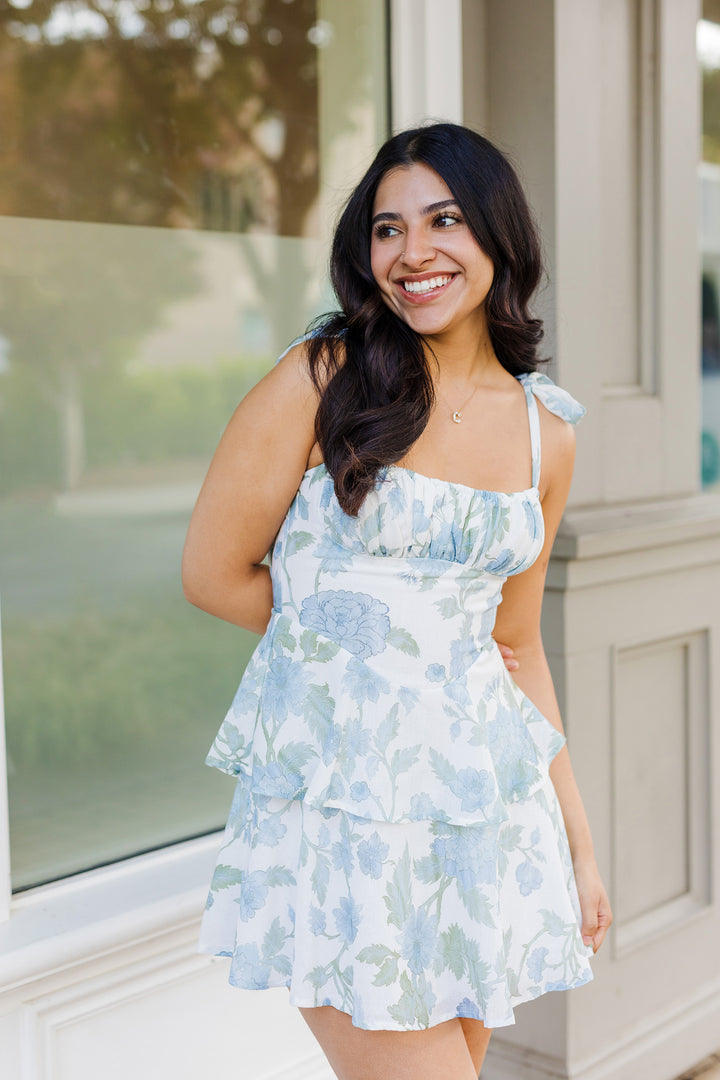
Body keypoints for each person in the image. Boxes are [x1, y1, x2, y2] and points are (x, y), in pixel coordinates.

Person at [182, 122, 612, 1080]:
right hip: (341, 817)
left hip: (476, 822)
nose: (412, 253)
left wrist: (578, 843)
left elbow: (520, 649)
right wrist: (371, 646)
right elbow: (213, 572)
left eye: (444, 220)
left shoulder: (549, 434)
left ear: (499, 237)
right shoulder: (324, 379)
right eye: (386, 229)